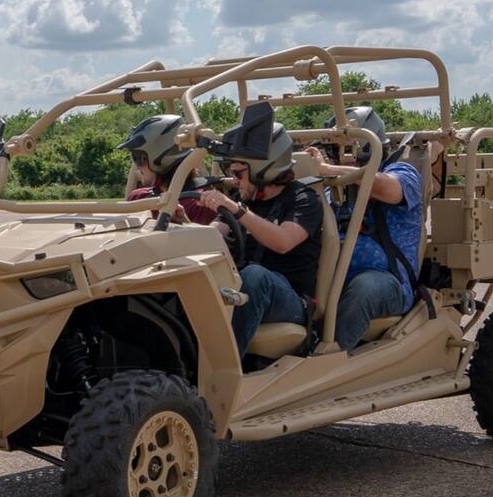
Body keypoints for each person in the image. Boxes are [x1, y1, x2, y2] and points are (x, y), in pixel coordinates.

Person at [198, 122, 322, 358]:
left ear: (264, 169)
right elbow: (215, 233)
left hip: (292, 300)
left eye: (238, 173)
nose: (233, 180)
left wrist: (237, 211)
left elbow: (283, 242)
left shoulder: (303, 199)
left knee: (256, 277)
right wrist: (187, 229)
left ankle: (222, 371)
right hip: (242, 285)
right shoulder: (243, 197)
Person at [306, 106, 424, 353]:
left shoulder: (402, 173)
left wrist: (329, 171)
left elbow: (388, 189)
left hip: (387, 281)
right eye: (335, 150)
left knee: (364, 290)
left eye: (349, 149)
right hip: (329, 276)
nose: (342, 156)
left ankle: (328, 359)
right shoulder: (329, 186)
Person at [119, 114, 219, 225]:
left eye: (138, 158)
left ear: (161, 158)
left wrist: (185, 222)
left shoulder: (201, 204)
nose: (137, 166)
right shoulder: (138, 197)